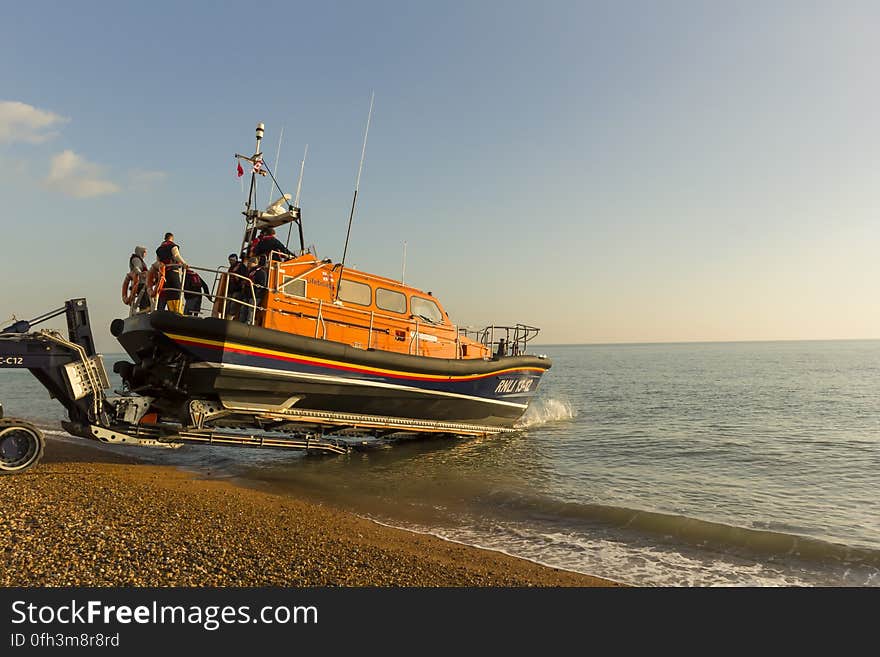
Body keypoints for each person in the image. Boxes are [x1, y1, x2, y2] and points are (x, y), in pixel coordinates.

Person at [155, 232, 187, 313]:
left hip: (164, 274)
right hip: (173, 272)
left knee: (164, 292)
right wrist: (184, 263)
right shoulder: (173, 246)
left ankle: (159, 311)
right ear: (172, 238)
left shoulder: (159, 249)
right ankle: (176, 312)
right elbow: (176, 255)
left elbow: (158, 261)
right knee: (176, 291)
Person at [238, 256, 267, 324]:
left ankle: (249, 323)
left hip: (255, 295)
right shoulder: (250, 271)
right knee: (243, 308)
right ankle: (241, 322)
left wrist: (253, 286)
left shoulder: (261, 272)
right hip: (248, 294)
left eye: (249, 262)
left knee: (251, 310)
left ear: (254, 263)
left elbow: (262, 284)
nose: (248, 264)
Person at [128, 245, 151, 311]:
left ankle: (147, 308)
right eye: (144, 252)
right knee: (144, 296)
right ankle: (143, 310)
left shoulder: (140, 260)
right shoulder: (136, 259)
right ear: (140, 252)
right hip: (140, 283)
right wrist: (141, 274)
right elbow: (136, 268)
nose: (145, 254)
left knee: (147, 296)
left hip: (143, 282)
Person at [224, 253, 247, 319]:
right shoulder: (231, 268)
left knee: (233, 305)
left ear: (236, 259)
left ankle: (230, 318)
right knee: (227, 303)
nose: (230, 261)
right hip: (230, 289)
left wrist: (240, 285)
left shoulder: (241, 266)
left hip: (237, 289)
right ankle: (225, 316)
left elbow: (244, 277)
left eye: (232, 260)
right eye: (230, 260)